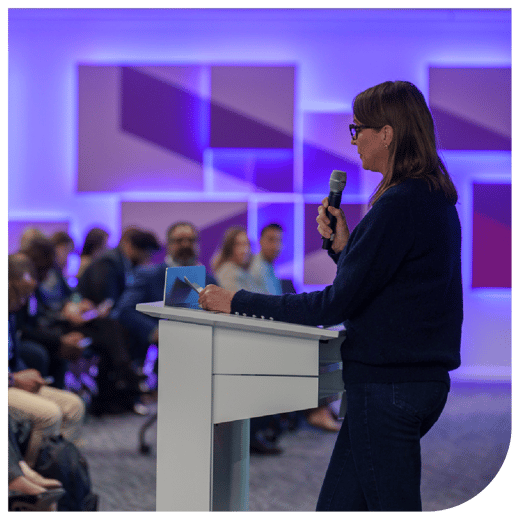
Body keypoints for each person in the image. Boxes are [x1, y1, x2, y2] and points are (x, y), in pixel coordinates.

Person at [198, 80, 463, 511]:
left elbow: (333, 304)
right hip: (404, 383)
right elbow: (386, 290)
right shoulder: (431, 197)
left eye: (358, 129)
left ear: (388, 133)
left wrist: (236, 301)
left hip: (387, 387)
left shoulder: (398, 204)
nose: (354, 141)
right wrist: (344, 250)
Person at [250, 223, 342, 433]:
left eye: (279, 240)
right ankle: (317, 410)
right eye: (271, 240)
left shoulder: (269, 268)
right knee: (319, 351)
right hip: (266, 337)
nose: (276, 245)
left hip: (276, 331)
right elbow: (266, 307)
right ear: (261, 242)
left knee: (324, 343)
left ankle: (323, 406)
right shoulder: (257, 269)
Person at [8, 253, 85, 469]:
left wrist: (29, 377)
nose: (23, 302)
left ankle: (61, 474)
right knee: (49, 415)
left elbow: (12, 358)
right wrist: (14, 379)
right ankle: (27, 483)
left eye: (27, 295)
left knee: (73, 406)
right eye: (19, 294)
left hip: (11, 381)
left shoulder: (10, 313)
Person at [115, 221, 217, 363]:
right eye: (179, 240)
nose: (186, 245)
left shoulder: (209, 279)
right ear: (169, 244)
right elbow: (125, 310)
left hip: (203, 351)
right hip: (160, 354)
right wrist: (155, 331)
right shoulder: (149, 275)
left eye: (191, 240)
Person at [76, 226, 161, 307]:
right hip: (92, 313)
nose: (147, 259)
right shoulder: (109, 262)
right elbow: (108, 300)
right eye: (146, 254)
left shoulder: (122, 261)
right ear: (135, 249)